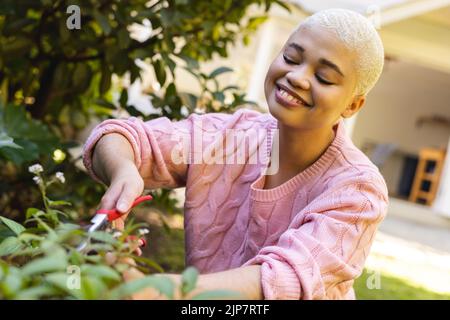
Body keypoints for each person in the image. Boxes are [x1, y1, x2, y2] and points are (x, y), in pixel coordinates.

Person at [82, 8, 388, 300]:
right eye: (291, 57)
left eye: (324, 78)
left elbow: (282, 278)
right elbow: (118, 137)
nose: (297, 77)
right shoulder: (230, 136)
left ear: (352, 105)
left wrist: (157, 290)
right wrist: (123, 170)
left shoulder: (358, 189)